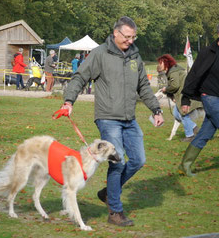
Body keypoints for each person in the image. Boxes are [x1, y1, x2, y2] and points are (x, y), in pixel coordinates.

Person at [60, 16, 164, 227]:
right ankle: (115, 211)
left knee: (138, 160)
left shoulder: (135, 55)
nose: (130, 41)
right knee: (119, 162)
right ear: (115, 33)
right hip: (108, 118)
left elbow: (143, 85)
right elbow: (80, 77)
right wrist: (69, 101)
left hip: (129, 118)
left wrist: (156, 109)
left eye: (133, 37)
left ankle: (109, 192)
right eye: (127, 37)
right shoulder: (99, 54)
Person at [179, 24, 219, 177]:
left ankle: (185, 165)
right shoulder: (207, 53)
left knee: (205, 133)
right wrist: (185, 99)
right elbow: (194, 75)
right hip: (209, 97)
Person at [157, 54, 201, 142]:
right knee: (176, 113)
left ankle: (190, 135)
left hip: (184, 96)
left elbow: (175, 85)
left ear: (166, 63)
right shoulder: (174, 70)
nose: (159, 65)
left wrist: (166, 89)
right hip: (183, 95)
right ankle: (194, 128)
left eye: (160, 63)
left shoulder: (173, 72)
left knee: (182, 114)